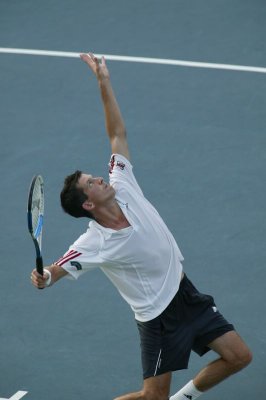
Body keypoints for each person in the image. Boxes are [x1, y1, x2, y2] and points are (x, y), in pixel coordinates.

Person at [31, 52, 252, 400]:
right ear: (88, 204)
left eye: (95, 177)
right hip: (159, 319)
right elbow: (58, 269)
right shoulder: (94, 242)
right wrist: (45, 276)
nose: (100, 180)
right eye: (92, 183)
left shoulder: (123, 183)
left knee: (239, 356)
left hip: (186, 294)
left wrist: (104, 81)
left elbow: (116, 132)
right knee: (151, 398)